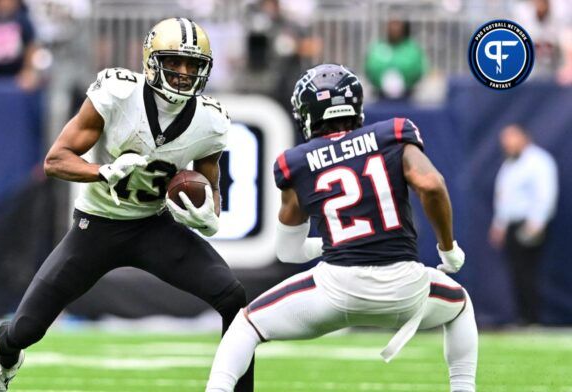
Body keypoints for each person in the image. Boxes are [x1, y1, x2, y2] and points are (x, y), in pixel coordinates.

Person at [0, 17, 253, 392]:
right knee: (22, 330)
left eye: (193, 65)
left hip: (154, 225)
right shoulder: (118, 94)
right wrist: (103, 171)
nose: (184, 73)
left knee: (233, 296)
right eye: (174, 62)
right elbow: (55, 160)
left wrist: (208, 216)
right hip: (97, 224)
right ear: (152, 61)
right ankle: (3, 366)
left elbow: (211, 185)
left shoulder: (211, 120)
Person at [205, 64, 478, 392]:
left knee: (245, 325)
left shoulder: (297, 161)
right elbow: (432, 185)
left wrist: (331, 242)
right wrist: (447, 248)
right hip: (406, 288)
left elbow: (288, 252)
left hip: (335, 289)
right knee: (460, 305)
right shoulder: (393, 133)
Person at [489, 124, 558, 325]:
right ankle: (522, 316)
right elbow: (504, 197)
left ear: (523, 137)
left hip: (529, 223)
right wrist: (499, 224)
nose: (507, 144)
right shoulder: (509, 164)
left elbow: (545, 194)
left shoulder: (538, 161)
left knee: (529, 271)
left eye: (511, 138)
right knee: (515, 271)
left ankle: (532, 317)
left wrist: (537, 222)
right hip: (511, 224)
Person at [365, 18, 428, 100]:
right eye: (391, 24)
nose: (394, 28)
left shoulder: (412, 48)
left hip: (407, 96)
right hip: (380, 96)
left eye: (397, 24)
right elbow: (369, 66)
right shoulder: (378, 46)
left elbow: (421, 68)